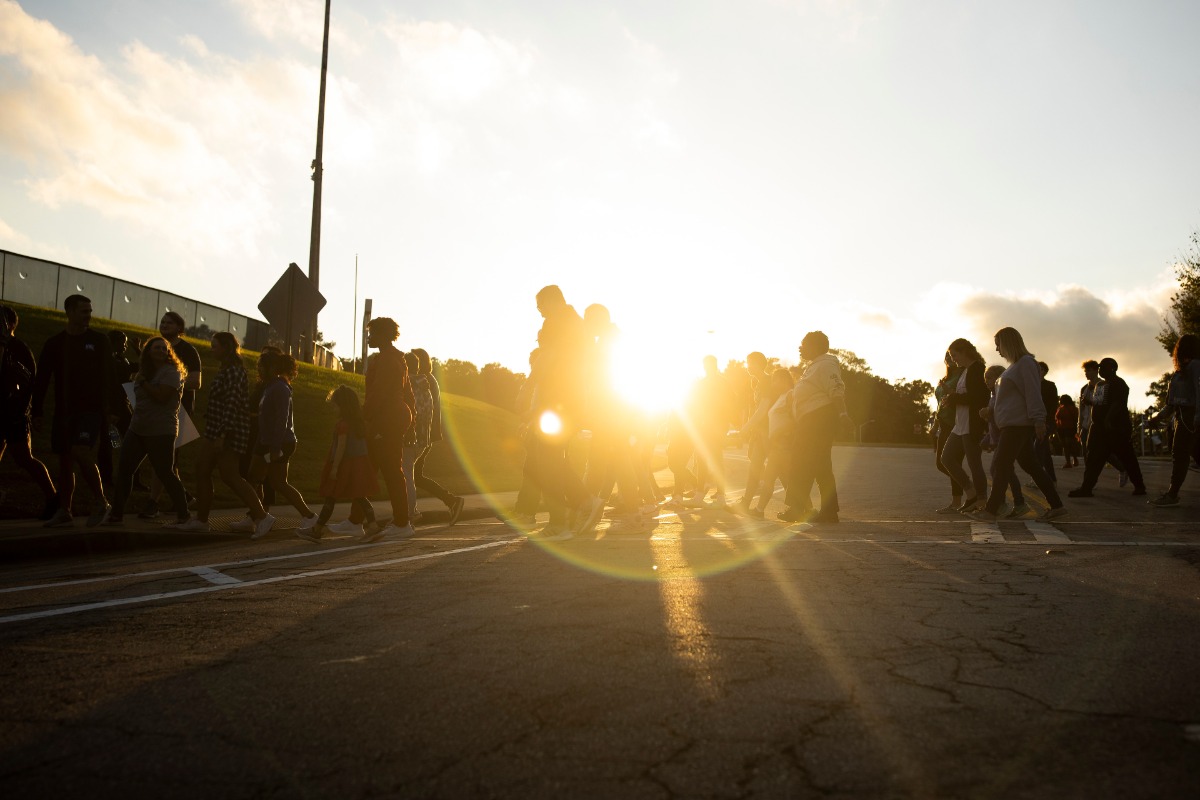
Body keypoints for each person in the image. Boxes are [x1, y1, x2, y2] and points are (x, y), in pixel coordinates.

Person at [32, 294, 124, 528]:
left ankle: (101, 502)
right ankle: (65, 510)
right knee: (64, 459)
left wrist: (115, 408)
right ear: (70, 312)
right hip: (64, 411)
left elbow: (111, 376)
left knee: (81, 451)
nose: (89, 316)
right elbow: (42, 378)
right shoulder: (55, 343)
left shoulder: (99, 340)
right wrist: (37, 410)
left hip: (91, 410)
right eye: (84, 311)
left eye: (90, 311)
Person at [524, 286, 603, 540]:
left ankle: (560, 523)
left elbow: (546, 359)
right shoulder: (577, 324)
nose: (539, 311)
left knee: (545, 458)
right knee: (552, 457)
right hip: (574, 400)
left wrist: (527, 388)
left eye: (541, 305)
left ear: (553, 301)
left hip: (557, 400)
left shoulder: (555, 323)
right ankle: (584, 502)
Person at [968, 328, 1066, 522]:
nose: (997, 350)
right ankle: (1057, 506)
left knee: (1001, 465)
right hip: (1011, 425)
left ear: (1008, 343)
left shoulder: (1026, 364)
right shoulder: (1014, 366)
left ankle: (991, 510)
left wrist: (1039, 420)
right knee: (1031, 465)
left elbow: (1033, 393)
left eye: (998, 345)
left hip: (1018, 425)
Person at [184, 332, 274, 536]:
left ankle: (261, 516)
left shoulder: (234, 371)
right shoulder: (226, 369)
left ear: (225, 348)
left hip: (227, 430)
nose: (211, 349)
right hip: (217, 428)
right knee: (205, 469)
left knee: (229, 475)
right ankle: (202, 519)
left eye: (215, 346)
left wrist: (223, 434)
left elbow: (232, 404)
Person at [106, 337, 192, 527]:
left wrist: (143, 382)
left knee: (165, 472)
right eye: (156, 347)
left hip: (162, 431)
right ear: (148, 351)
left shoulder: (172, 372)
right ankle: (116, 513)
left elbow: (161, 396)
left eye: (164, 348)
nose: (161, 350)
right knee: (125, 469)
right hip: (137, 428)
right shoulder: (144, 371)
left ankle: (184, 513)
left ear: (169, 352)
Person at [247, 351, 319, 536]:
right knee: (259, 479)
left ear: (272, 368)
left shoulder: (280, 388)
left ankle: (304, 517)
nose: (259, 369)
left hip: (278, 442)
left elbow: (281, 419)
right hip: (267, 440)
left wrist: (275, 447)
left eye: (262, 365)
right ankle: (259, 516)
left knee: (274, 482)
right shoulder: (271, 386)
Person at [782, 331, 849, 524]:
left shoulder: (826, 364)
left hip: (818, 420)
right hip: (811, 419)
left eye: (804, 344)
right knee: (821, 466)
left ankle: (797, 509)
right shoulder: (814, 366)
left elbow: (836, 389)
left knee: (801, 463)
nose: (800, 348)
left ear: (816, 346)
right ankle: (828, 512)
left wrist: (843, 414)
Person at [297, 385, 378, 542]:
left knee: (331, 496)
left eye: (335, 405)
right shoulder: (359, 424)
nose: (334, 409)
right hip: (359, 464)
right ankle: (373, 526)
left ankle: (317, 529)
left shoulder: (343, 425)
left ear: (343, 406)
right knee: (360, 496)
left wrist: (334, 468)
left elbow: (341, 447)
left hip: (344, 464)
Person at [361, 317, 417, 542]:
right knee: (371, 467)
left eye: (372, 333)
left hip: (387, 419)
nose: (368, 337)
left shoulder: (386, 360)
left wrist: (365, 418)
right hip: (395, 417)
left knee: (392, 472)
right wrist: (411, 421)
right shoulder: (397, 358)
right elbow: (408, 393)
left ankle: (402, 522)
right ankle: (358, 520)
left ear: (383, 335)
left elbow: (378, 393)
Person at [0, 305, 57, 519]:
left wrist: (23, 410)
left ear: (11, 324)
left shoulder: (18, 347)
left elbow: (29, 381)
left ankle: (53, 498)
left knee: (24, 458)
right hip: (5, 411)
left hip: (13, 413)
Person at [1069, 358, 1146, 498]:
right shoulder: (1101, 385)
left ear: (1112, 369)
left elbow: (1118, 404)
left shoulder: (1119, 384)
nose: (1100, 370)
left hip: (1116, 428)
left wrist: (1108, 420)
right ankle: (1086, 488)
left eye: (1103, 367)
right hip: (1099, 428)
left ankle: (1139, 486)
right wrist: (1090, 403)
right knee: (1093, 459)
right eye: (1100, 368)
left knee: (1128, 458)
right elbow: (1100, 403)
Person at [410, 348, 465, 524]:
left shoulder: (424, 381)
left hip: (423, 435)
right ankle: (450, 501)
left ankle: (409, 513)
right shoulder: (428, 380)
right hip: (426, 434)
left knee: (410, 474)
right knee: (414, 475)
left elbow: (424, 409)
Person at [1146, 335, 1199, 507]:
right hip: (1181, 418)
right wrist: (1158, 417)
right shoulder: (1180, 372)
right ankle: (1172, 493)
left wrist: (1197, 418)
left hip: (1190, 418)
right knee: (1186, 455)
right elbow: (1170, 403)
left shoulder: (1195, 366)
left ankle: (1172, 494)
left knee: (1181, 456)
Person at [939, 338, 989, 512]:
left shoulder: (978, 369)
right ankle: (971, 493)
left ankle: (982, 501)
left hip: (971, 424)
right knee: (946, 458)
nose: (953, 359)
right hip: (960, 424)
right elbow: (964, 395)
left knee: (975, 464)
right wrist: (951, 397)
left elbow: (978, 398)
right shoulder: (966, 370)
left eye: (954, 355)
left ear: (964, 352)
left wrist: (954, 398)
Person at [746, 368, 795, 518]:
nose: (773, 383)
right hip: (776, 445)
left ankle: (805, 508)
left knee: (787, 478)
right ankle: (760, 510)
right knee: (773, 477)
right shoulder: (781, 396)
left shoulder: (791, 395)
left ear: (784, 380)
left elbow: (795, 418)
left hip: (785, 444)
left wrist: (784, 433)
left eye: (776, 380)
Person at [981, 364, 1028, 517]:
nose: (987, 381)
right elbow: (993, 424)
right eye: (985, 378)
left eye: (989, 378)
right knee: (1006, 472)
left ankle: (1002, 503)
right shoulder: (992, 397)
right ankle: (1017, 503)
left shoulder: (1001, 396)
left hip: (1005, 439)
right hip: (997, 440)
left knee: (998, 470)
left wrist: (990, 412)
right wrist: (987, 438)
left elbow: (1002, 418)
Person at [688, 355, 734, 509]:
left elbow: (731, 404)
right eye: (705, 365)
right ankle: (700, 494)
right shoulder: (702, 383)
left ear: (715, 365)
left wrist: (725, 424)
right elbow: (695, 404)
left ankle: (721, 495)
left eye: (710, 365)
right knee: (701, 459)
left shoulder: (723, 383)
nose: (707, 368)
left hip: (718, 426)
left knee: (716, 459)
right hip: (703, 426)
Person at [932, 352, 966, 513]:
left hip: (956, 423)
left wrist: (948, 391)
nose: (950, 360)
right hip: (943, 423)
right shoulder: (946, 378)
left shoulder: (962, 375)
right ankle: (962, 495)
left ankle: (960, 498)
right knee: (942, 463)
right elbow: (940, 403)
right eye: (947, 356)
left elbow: (960, 397)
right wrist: (935, 424)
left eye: (953, 356)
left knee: (949, 462)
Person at [739, 351, 771, 512]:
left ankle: (803, 506)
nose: (747, 366)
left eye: (749, 363)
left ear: (758, 364)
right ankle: (745, 503)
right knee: (755, 465)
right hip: (760, 432)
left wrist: (746, 428)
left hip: (770, 432)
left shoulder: (766, 381)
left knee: (782, 470)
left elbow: (763, 409)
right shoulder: (757, 382)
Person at [404, 350, 433, 525]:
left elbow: (412, 412)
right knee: (409, 473)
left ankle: (409, 512)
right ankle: (411, 510)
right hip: (423, 438)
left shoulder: (409, 386)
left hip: (410, 436)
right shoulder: (425, 386)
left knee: (406, 474)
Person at [1035, 361, 1058, 485]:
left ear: (1044, 371)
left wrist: (1048, 421)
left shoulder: (1050, 386)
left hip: (1046, 421)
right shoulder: (1031, 385)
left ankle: (1039, 479)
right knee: (1044, 451)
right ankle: (1051, 478)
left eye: (1040, 369)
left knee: (1038, 449)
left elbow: (1053, 405)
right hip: (1033, 422)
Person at [1055, 395, 1080, 469]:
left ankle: (1074, 459)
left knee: (1069, 444)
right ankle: (1069, 462)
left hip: (1070, 428)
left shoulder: (1073, 409)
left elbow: (1076, 419)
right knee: (1065, 445)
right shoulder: (1060, 408)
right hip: (1062, 428)